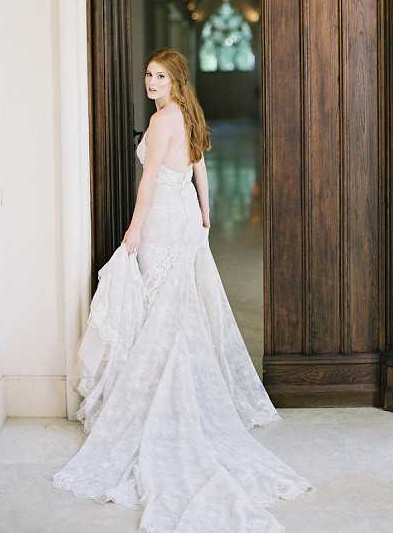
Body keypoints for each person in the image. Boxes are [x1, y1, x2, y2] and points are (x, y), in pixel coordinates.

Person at [53, 48, 311, 532]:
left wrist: (134, 229)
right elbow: (199, 169)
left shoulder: (159, 123)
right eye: (148, 75)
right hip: (187, 217)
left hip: (165, 223)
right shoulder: (185, 114)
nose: (151, 82)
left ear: (176, 80)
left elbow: (149, 179)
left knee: (160, 310)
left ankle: (159, 397)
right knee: (179, 307)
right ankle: (183, 389)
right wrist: (206, 213)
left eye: (160, 76)